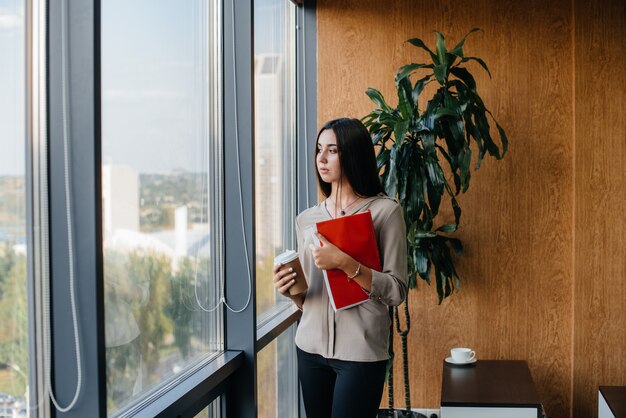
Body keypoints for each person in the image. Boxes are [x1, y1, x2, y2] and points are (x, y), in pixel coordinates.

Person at [273, 117, 408, 418]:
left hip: (360, 352)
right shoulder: (306, 218)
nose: (321, 158)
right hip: (309, 349)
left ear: (353, 153)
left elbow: (397, 291)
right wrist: (290, 290)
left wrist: (345, 263)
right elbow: (309, 300)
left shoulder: (385, 212)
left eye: (332, 150)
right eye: (319, 149)